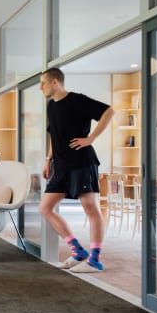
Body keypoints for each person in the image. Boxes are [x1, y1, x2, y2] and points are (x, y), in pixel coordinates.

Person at [38, 67, 115, 273]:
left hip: (82, 162)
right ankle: (78, 251)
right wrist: (48, 159)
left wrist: (91, 138)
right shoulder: (51, 106)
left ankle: (95, 260)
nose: (40, 87)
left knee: (91, 208)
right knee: (45, 208)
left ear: (55, 82)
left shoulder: (77, 100)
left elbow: (109, 111)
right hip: (61, 166)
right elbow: (54, 136)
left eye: (43, 83)